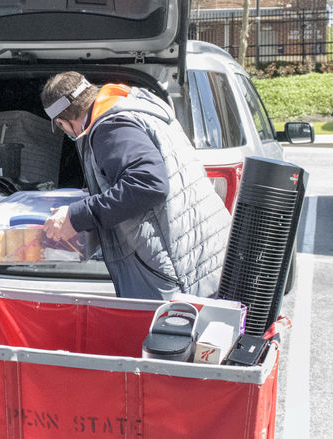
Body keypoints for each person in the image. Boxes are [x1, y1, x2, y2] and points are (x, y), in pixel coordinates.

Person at [41, 71, 232, 300]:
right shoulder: (135, 106)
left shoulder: (111, 126)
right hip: (204, 254)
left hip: (181, 271)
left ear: (62, 122)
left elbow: (148, 184)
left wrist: (77, 216)